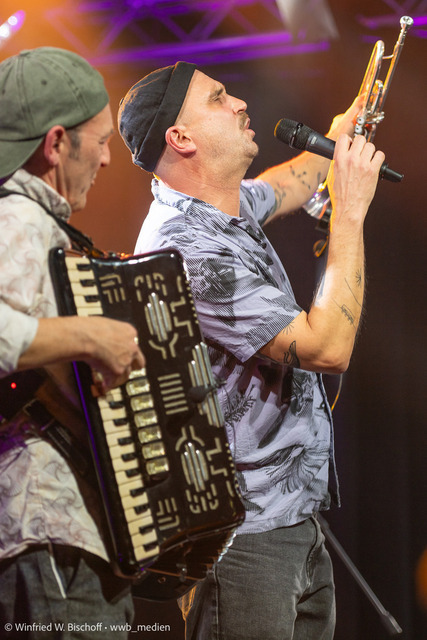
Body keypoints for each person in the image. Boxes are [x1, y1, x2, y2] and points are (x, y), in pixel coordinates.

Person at [117, 61, 385, 640]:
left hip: (291, 522)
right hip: (244, 543)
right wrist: (350, 210)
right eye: (218, 98)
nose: (239, 103)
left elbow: (289, 182)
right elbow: (327, 347)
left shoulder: (221, 206)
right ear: (180, 138)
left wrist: (338, 134)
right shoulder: (187, 248)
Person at [0, 47, 145, 638]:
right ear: (57, 143)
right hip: (47, 536)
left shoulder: (39, 224)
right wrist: (91, 335)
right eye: (101, 141)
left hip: (66, 538)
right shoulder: (17, 219)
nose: (109, 158)